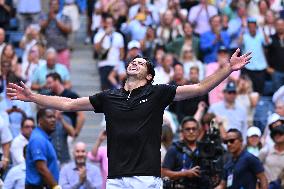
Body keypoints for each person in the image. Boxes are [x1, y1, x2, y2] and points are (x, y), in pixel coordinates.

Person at [7, 49, 251, 188]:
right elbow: (69, 104)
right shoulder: (109, 96)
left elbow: (199, 88)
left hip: (145, 177)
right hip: (115, 178)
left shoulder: (158, 92)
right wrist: (33, 97)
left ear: (148, 76)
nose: (134, 62)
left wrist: (227, 69)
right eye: (133, 61)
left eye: (141, 63)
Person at [161, 117, 209, 188]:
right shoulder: (174, 149)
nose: (191, 131)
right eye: (188, 129)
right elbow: (164, 173)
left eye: (194, 129)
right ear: (182, 132)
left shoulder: (206, 148)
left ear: (198, 131)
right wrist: (185, 173)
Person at [25, 108, 60, 189]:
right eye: (49, 117)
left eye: (54, 117)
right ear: (40, 120)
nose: (53, 120)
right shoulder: (38, 139)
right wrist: (56, 187)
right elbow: (41, 168)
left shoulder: (43, 137)